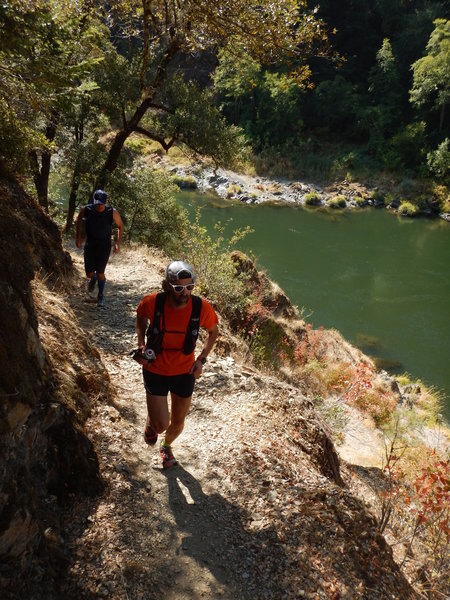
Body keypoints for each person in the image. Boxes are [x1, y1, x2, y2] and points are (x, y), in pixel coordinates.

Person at [135, 260, 219, 469]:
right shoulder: (153, 302)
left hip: (184, 371)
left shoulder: (201, 307)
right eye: (179, 288)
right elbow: (140, 316)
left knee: (179, 422)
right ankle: (153, 423)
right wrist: (141, 345)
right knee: (161, 424)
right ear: (167, 287)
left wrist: (201, 360)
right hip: (156, 369)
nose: (185, 293)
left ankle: (166, 447)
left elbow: (213, 331)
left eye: (190, 287)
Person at [75, 189, 124, 307]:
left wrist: (118, 243)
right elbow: (78, 220)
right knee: (89, 274)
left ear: (106, 201)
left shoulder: (112, 212)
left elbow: (120, 226)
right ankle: (94, 278)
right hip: (90, 244)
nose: (99, 206)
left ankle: (100, 296)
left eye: (102, 203)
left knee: (101, 272)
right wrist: (79, 236)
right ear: (94, 201)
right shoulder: (86, 209)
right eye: (97, 203)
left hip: (104, 246)